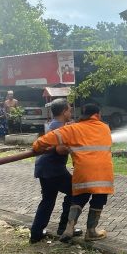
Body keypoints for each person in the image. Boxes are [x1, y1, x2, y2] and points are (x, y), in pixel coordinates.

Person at [32, 103, 113, 242]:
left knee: (78, 197)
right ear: (98, 115)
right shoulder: (105, 128)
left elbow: (44, 141)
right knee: (98, 199)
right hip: (103, 174)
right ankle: (91, 231)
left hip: (82, 172)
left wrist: (36, 146)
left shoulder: (72, 129)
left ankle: (67, 228)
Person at [28, 99, 81, 243]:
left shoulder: (53, 124)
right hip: (53, 169)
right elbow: (60, 149)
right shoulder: (60, 128)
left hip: (44, 167)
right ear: (64, 112)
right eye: (69, 110)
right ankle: (64, 228)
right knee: (74, 191)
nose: (71, 113)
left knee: (48, 199)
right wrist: (75, 144)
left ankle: (36, 233)